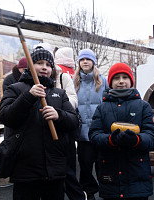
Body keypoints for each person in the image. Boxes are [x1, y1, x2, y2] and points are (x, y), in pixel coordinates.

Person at [0, 46, 79, 200]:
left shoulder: (59, 93)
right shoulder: (15, 89)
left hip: (54, 168)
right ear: (30, 66)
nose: (44, 67)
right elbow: (6, 117)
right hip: (25, 169)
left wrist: (59, 115)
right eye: (39, 63)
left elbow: (74, 121)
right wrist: (28, 96)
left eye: (48, 65)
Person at [88, 63, 154, 200]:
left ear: (131, 81)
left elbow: (152, 136)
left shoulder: (143, 106)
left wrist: (136, 140)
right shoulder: (102, 108)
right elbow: (94, 135)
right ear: (110, 82)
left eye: (125, 77)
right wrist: (111, 140)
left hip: (137, 177)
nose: (121, 81)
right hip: (110, 176)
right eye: (116, 78)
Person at [74, 49, 108, 200]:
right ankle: (89, 193)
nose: (85, 62)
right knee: (85, 167)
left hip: (100, 132)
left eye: (88, 59)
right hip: (82, 133)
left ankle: (107, 191)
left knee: (103, 165)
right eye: (82, 60)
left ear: (93, 62)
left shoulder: (103, 81)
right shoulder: (74, 81)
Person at [54, 47, 85, 200]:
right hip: (53, 128)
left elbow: (72, 99)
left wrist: (58, 107)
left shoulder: (63, 76)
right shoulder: (72, 73)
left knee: (67, 169)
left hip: (65, 125)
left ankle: (77, 195)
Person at [1, 57, 27, 139]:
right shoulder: (9, 79)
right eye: (24, 69)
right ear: (19, 68)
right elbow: (8, 96)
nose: (25, 72)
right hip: (13, 112)